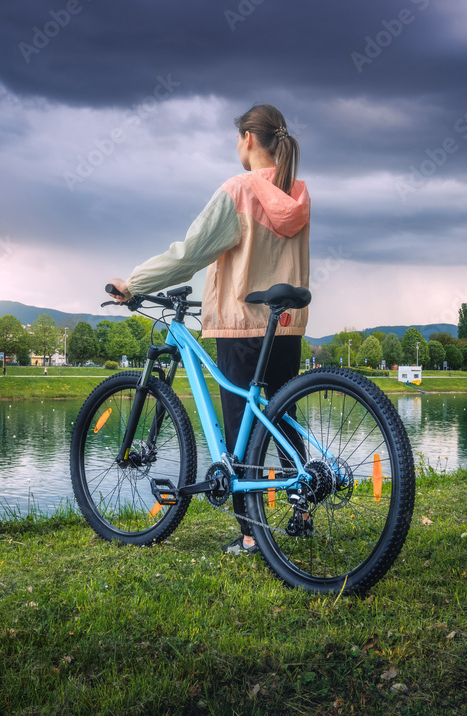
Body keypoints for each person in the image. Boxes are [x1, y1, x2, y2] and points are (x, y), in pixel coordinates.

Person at [107, 104, 309, 556]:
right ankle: (302, 508)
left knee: (240, 431)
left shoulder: (240, 190)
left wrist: (133, 283)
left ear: (249, 139)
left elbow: (190, 253)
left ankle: (251, 534)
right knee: (283, 420)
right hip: (287, 325)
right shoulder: (297, 192)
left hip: (241, 326)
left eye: (238, 138)